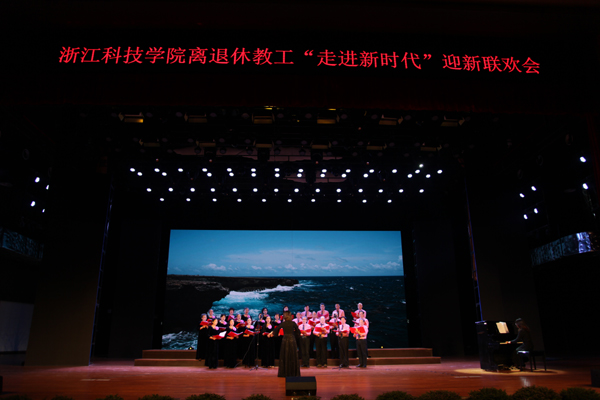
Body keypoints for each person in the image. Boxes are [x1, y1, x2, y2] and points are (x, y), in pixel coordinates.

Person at [277, 310, 301, 377]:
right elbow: (298, 333)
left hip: (285, 340)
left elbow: (276, 330)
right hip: (292, 340)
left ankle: (284, 372)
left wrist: (275, 334)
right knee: (292, 355)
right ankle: (293, 373)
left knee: (285, 355)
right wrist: (294, 333)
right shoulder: (293, 323)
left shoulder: (283, 323)